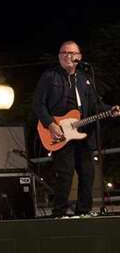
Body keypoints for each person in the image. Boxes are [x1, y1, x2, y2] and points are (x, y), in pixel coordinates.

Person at [32, 40, 119, 218]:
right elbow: (38, 104)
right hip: (60, 132)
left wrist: (110, 110)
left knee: (88, 172)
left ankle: (84, 211)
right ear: (59, 57)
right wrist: (51, 124)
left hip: (83, 133)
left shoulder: (84, 79)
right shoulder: (50, 77)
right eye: (63, 53)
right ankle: (59, 212)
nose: (67, 56)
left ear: (79, 57)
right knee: (65, 173)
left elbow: (95, 105)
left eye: (71, 53)